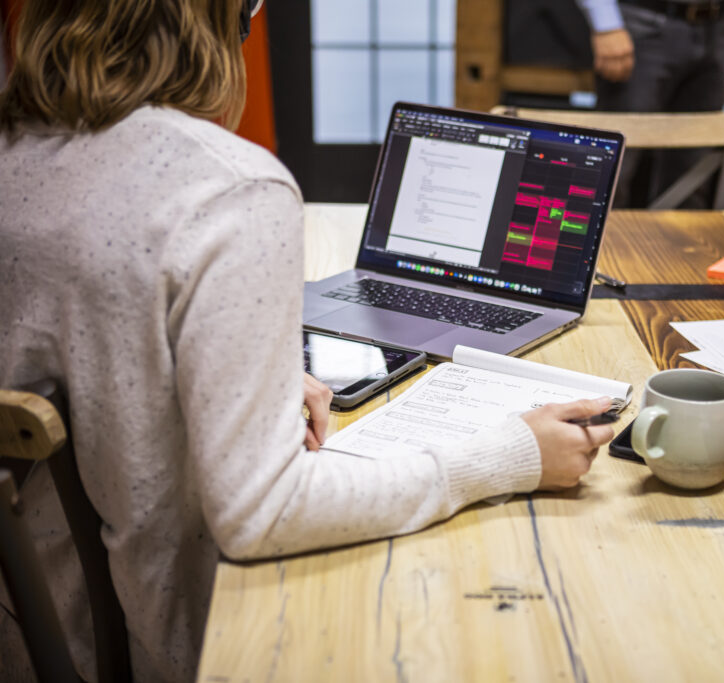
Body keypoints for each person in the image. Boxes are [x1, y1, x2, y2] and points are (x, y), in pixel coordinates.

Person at [0, 1, 615, 681]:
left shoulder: (15, 151)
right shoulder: (226, 189)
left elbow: (76, 327)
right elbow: (263, 512)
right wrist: (506, 455)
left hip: (26, 618)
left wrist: (219, 362)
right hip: (173, 643)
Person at [576, 0, 724, 207]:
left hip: (716, 25)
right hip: (643, 23)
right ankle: (602, 239)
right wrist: (606, 24)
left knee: (690, 177)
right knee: (613, 170)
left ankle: (678, 240)